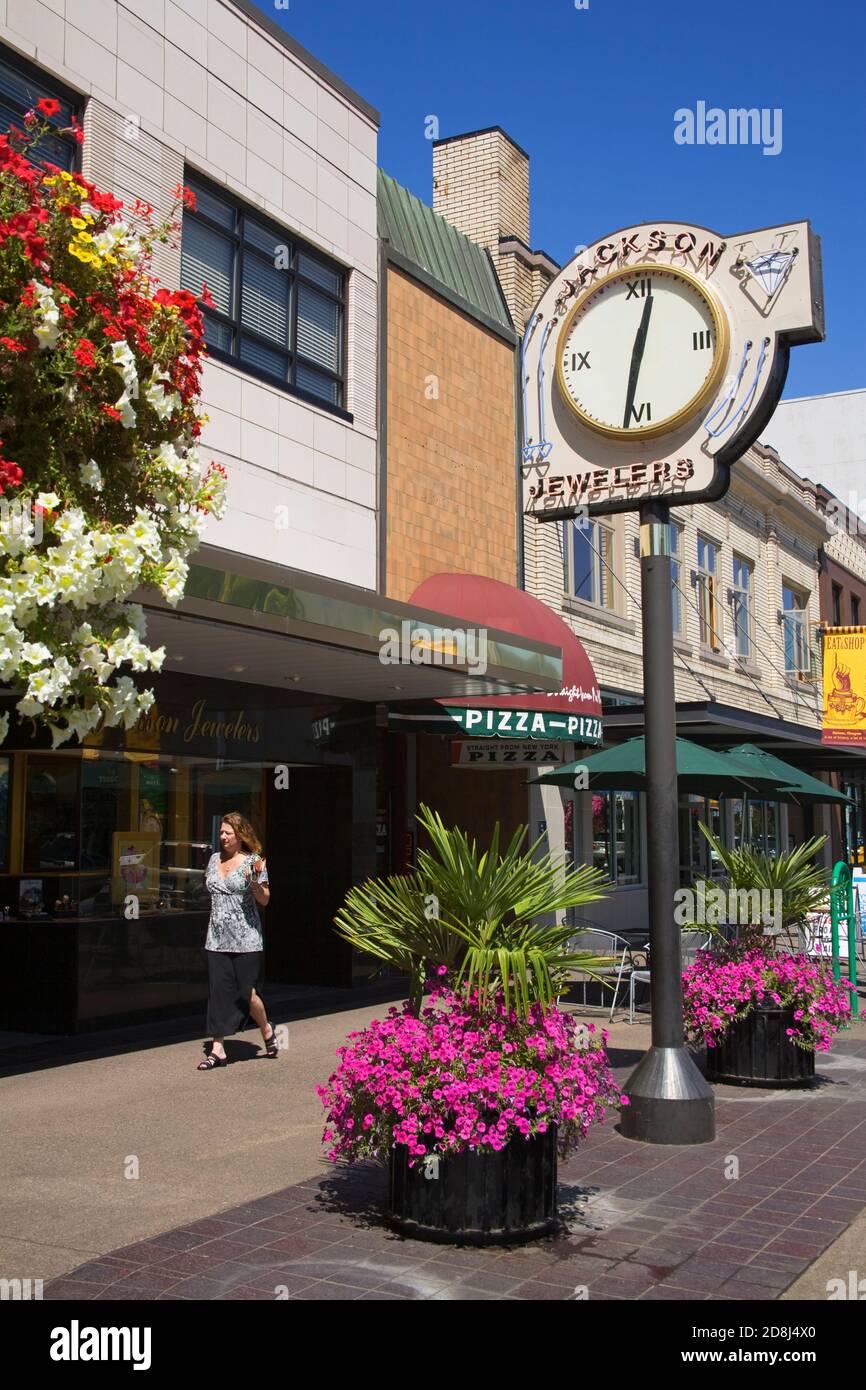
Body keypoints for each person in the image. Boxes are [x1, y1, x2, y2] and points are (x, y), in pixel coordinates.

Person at [197, 812, 275, 1070]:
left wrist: (254, 883)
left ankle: (266, 1029)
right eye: (221, 833)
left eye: (228, 833)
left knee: (245, 993)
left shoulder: (253, 862)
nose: (223, 837)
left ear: (240, 836)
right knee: (218, 992)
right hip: (217, 938)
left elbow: (264, 899)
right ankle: (217, 1049)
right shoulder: (212, 860)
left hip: (246, 939)